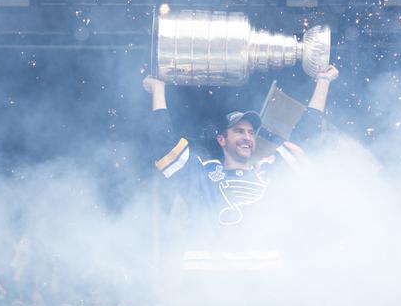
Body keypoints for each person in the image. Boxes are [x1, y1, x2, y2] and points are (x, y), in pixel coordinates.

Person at [142, 65, 339, 260]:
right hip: (208, 283)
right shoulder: (202, 174)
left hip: (261, 282)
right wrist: (158, 90)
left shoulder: (267, 173)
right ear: (222, 140)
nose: (247, 137)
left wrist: (323, 82)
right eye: (239, 131)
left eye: (251, 133)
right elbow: (164, 147)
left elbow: (304, 139)